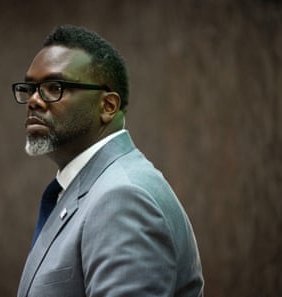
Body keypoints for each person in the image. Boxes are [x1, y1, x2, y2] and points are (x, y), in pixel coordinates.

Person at [12, 24, 204, 297]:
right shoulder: (94, 189)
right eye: (29, 88)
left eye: (54, 87)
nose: (33, 100)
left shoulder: (122, 197)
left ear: (108, 106)